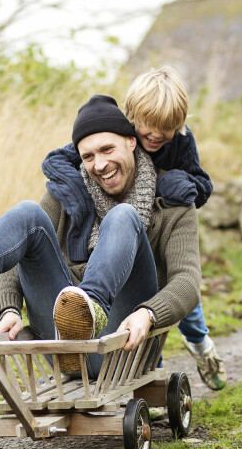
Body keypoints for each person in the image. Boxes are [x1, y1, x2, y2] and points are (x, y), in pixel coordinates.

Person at [0, 94, 201, 377]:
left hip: (121, 343)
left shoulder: (173, 200)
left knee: (123, 216)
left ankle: (91, 309)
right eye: (88, 157)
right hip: (62, 340)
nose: (99, 164)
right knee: (28, 213)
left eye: (107, 149)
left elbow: (188, 281)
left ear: (131, 141)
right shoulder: (66, 192)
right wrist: (8, 309)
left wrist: (148, 314)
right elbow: (16, 248)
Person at [39, 66, 227, 391]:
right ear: (131, 119)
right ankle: (150, 374)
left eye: (166, 128)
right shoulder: (115, 133)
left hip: (160, 233)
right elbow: (66, 156)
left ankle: (202, 349)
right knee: (138, 298)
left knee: (185, 307)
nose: (155, 135)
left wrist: (174, 182)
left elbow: (202, 185)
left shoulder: (181, 142)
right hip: (126, 235)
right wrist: (64, 178)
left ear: (179, 124)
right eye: (147, 126)